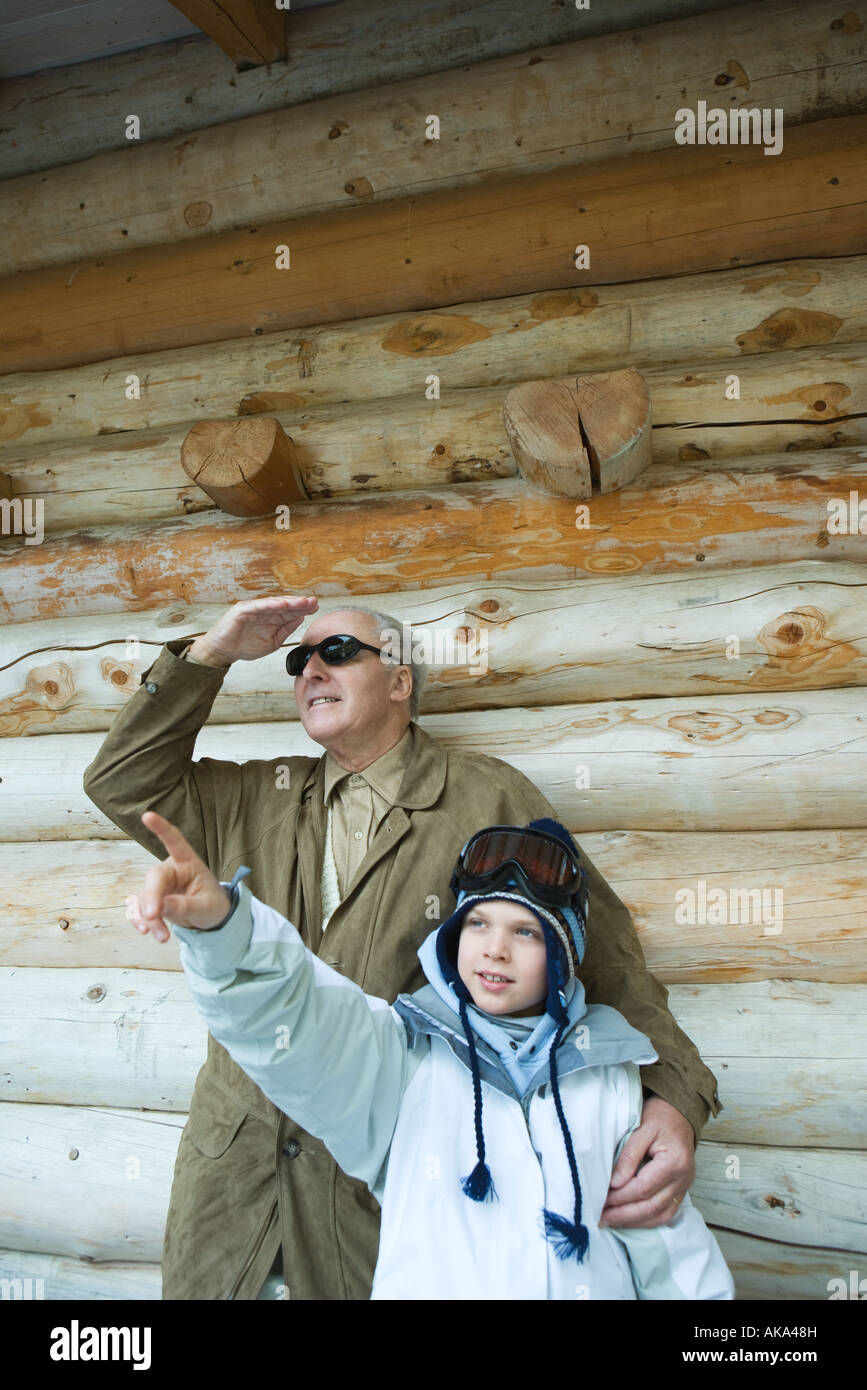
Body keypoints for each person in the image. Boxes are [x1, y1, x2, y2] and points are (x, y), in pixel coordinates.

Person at [83, 595, 721, 1300]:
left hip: (387, 1190)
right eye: (299, 660)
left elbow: (598, 955)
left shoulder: (486, 797)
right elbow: (120, 782)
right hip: (235, 1188)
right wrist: (212, 653)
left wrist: (672, 1098)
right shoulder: (252, 797)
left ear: (399, 681)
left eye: (337, 652)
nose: (310, 671)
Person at [127, 811, 734, 1300]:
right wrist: (224, 931)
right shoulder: (404, 1062)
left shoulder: (613, 1083)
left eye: (525, 932)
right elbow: (301, 1017)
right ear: (452, 940)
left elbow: (674, 1262)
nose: (495, 949)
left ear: (563, 957)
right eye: (478, 925)